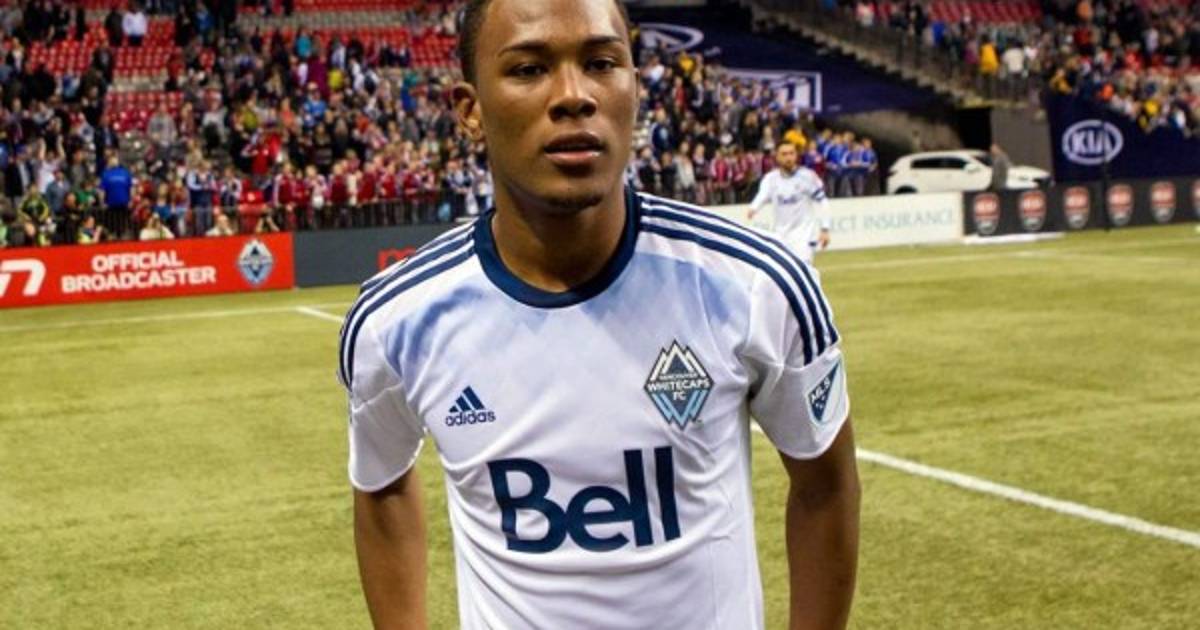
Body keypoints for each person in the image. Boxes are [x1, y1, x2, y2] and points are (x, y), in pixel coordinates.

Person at [340, 1, 859, 629]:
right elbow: (382, 484)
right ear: (469, 111)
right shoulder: (395, 321)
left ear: (635, 87)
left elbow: (826, 484)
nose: (574, 96)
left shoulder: (756, 287)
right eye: (529, 69)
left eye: (602, 63)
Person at [749, 141, 832, 264]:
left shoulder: (808, 176)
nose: (788, 157)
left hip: (804, 238)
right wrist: (753, 208)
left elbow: (823, 202)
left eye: (791, 153)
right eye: (784, 154)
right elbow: (762, 196)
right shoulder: (770, 179)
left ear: (796, 155)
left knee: (801, 271)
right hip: (780, 237)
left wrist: (825, 229)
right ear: (777, 156)